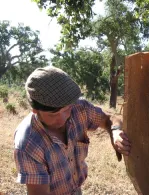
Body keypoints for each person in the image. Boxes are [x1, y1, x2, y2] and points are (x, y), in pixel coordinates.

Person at [14, 66, 131, 195]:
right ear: (35, 110)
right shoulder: (28, 143)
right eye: (54, 114)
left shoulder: (79, 109)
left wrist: (115, 131)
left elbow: (110, 118)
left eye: (66, 109)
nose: (63, 118)